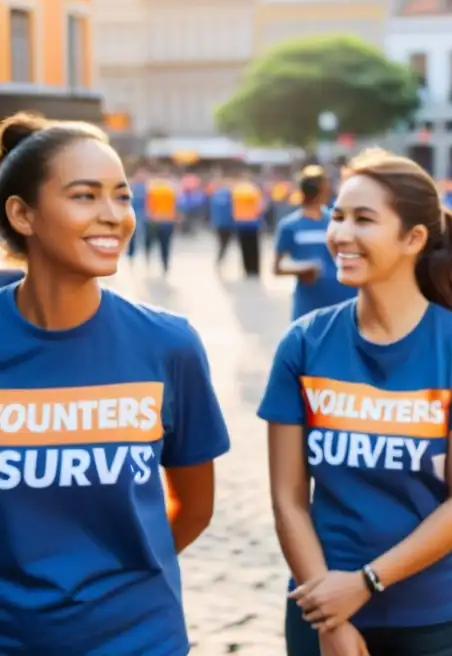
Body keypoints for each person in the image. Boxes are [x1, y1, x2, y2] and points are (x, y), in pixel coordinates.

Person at [0, 112, 231, 654]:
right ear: (22, 214)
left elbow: (195, 507)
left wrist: (123, 583)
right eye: (85, 196)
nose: (113, 217)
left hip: (140, 638)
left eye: (122, 197)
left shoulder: (168, 344)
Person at [258, 148, 452, 656]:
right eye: (337, 216)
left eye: (363, 219)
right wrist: (328, 615)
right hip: (320, 605)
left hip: (439, 616)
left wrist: (366, 583)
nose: (341, 234)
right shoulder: (303, 344)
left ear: (413, 238)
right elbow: (288, 497)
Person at [273, 165, 356, 321]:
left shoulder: (338, 221)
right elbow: (277, 268)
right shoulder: (290, 225)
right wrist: (302, 268)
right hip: (309, 307)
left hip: (346, 301)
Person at [145, 166, 178, 276]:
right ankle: (165, 264)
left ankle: (148, 259)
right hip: (168, 221)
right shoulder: (172, 189)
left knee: (151, 242)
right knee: (166, 244)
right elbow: (176, 206)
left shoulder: (152, 189)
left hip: (155, 220)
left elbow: (149, 206)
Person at [231, 170, 264, 278]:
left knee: (244, 247)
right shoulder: (254, 190)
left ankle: (247, 270)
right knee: (254, 248)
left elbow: (232, 205)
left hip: (240, 222)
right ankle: (254, 269)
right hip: (252, 222)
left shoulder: (237, 190)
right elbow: (260, 206)